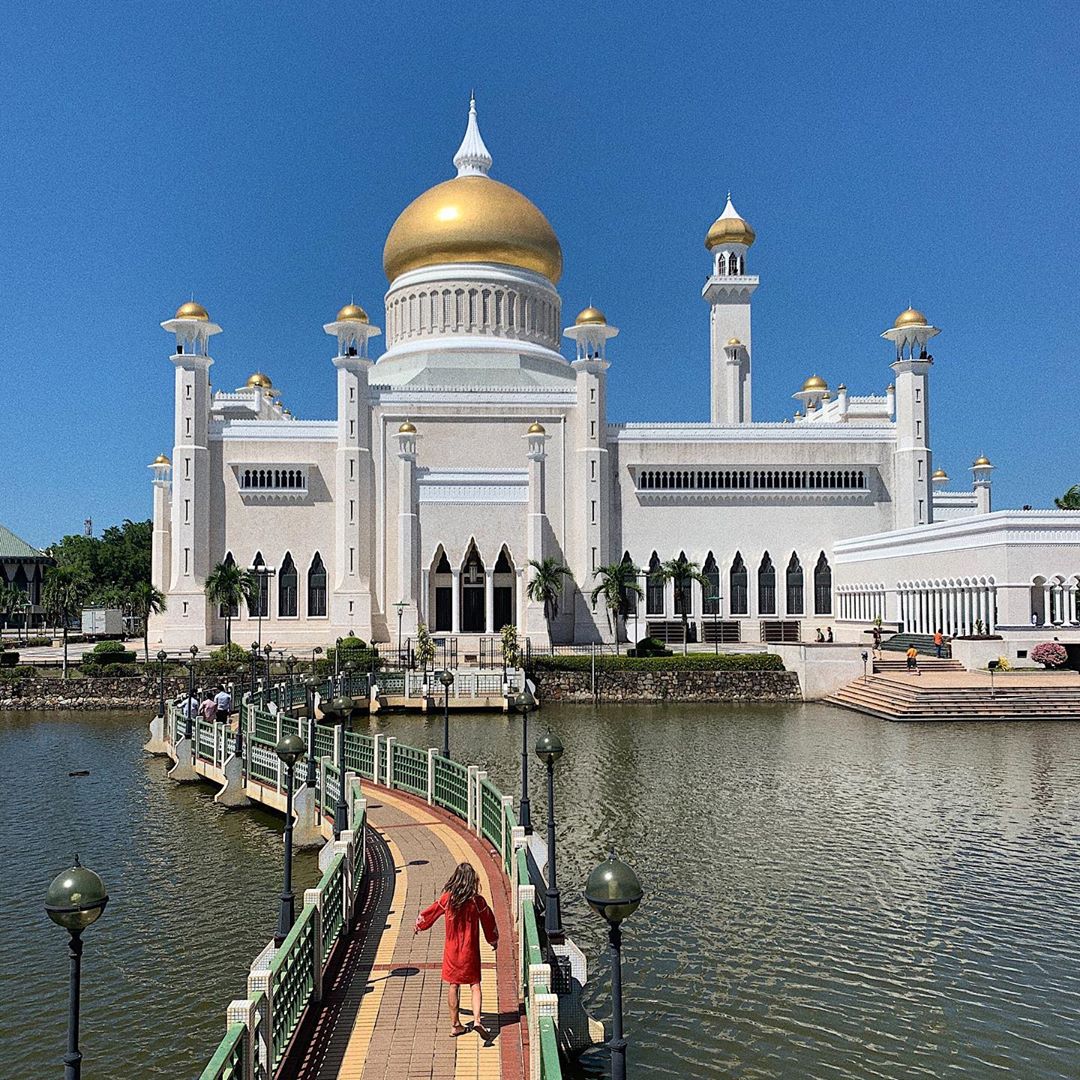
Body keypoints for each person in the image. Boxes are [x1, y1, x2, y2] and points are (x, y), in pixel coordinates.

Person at [415, 862, 499, 1040]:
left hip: (452, 952)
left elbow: (432, 912)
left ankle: (455, 1025)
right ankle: (477, 1021)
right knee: (475, 985)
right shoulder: (477, 901)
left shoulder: (448, 899)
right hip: (470, 951)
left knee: (453, 985)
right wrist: (493, 940)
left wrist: (419, 925)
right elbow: (488, 921)